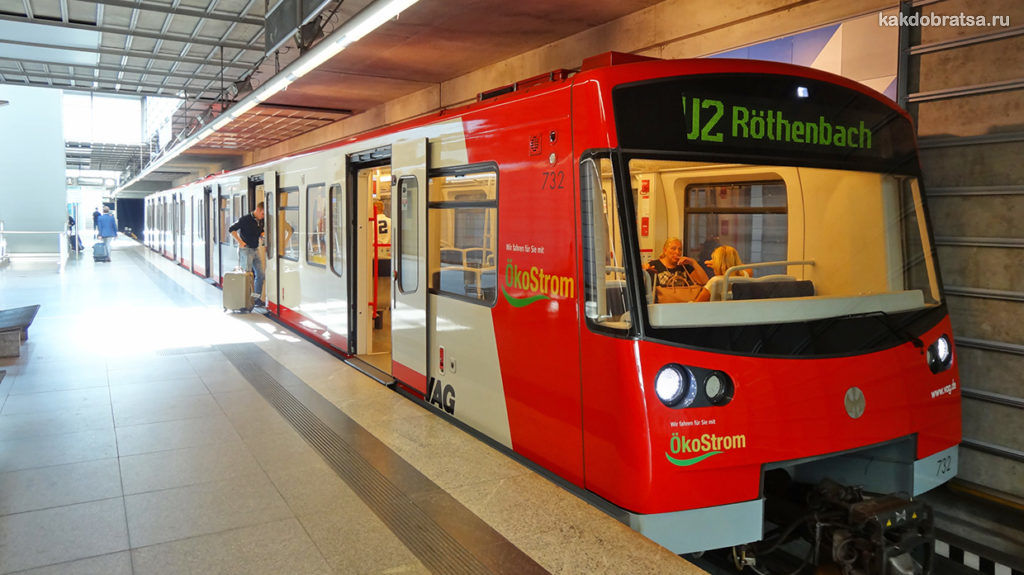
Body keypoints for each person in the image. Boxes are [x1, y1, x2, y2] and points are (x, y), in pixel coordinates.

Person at [643, 237, 708, 302]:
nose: (677, 252)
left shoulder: (685, 266)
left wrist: (693, 263)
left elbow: (704, 282)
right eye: (673, 249)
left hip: (684, 305)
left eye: (680, 249)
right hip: (662, 307)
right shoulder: (654, 265)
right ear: (665, 250)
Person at [229, 202, 266, 307]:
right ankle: (244, 300)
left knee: (260, 275)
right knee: (246, 277)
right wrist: (240, 242)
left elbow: (260, 232)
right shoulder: (245, 219)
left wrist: (263, 236)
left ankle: (255, 299)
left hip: (255, 249)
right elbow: (231, 229)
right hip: (246, 250)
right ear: (258, 210)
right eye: (263, 214)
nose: (263, 216)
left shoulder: (260, 221)